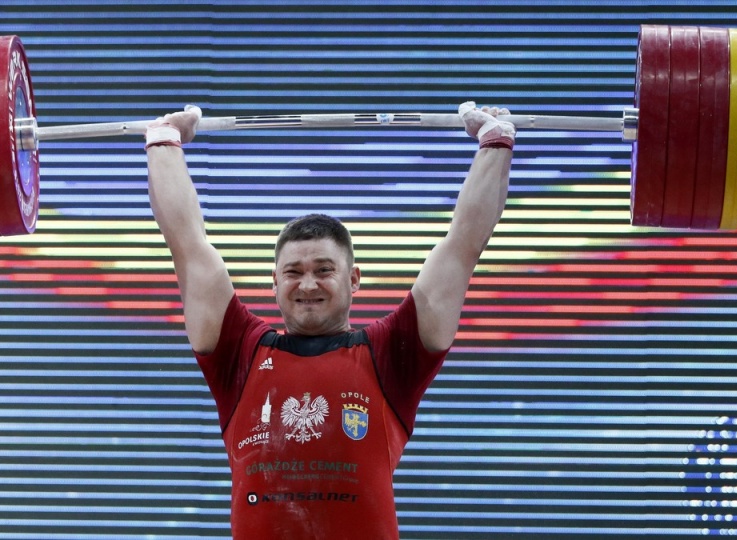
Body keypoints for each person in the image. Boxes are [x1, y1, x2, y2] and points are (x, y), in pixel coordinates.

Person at [145, 102, 514, 539]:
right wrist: (164, 141)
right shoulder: (237, 352)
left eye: (324, 270)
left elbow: (462, 246)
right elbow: (187, 244)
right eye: (294, 272)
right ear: (274, 282)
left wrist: (495, 142)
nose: (307, 285)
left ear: (354, 279)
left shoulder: (393, 354)